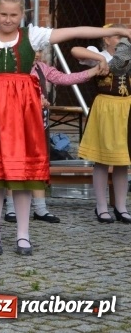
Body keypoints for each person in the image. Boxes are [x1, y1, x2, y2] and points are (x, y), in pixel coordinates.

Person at [0, 0, 131, 256]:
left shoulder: (33, 35)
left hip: (21, 111)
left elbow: (74, 31)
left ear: (22, 15)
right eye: (3, 14)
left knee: (22, 175)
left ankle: (23, 235)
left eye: (13, 15)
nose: (8, 19)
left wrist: (120, 33)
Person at [3, 49, 105, 224]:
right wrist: (34, 101)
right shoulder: (11, 69)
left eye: (39, 50)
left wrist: (92, 72)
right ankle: (11, 207)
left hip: (39, 126)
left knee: (38, 165)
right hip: (16, 125)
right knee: (15, 165)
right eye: (32, 49)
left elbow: (65, 79)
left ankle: (40, 208)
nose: (36, 53)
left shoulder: (42, 68)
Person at [72, 25, 131, 224]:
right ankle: (101, 206)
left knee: (123, 160)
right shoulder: (99, 54)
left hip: (126, 108)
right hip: (106, 107)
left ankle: (121, 206)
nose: (122, 40)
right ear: (106, 39)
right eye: (118, 36)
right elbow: (75, 50)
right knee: (102, 159)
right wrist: (100, 60)